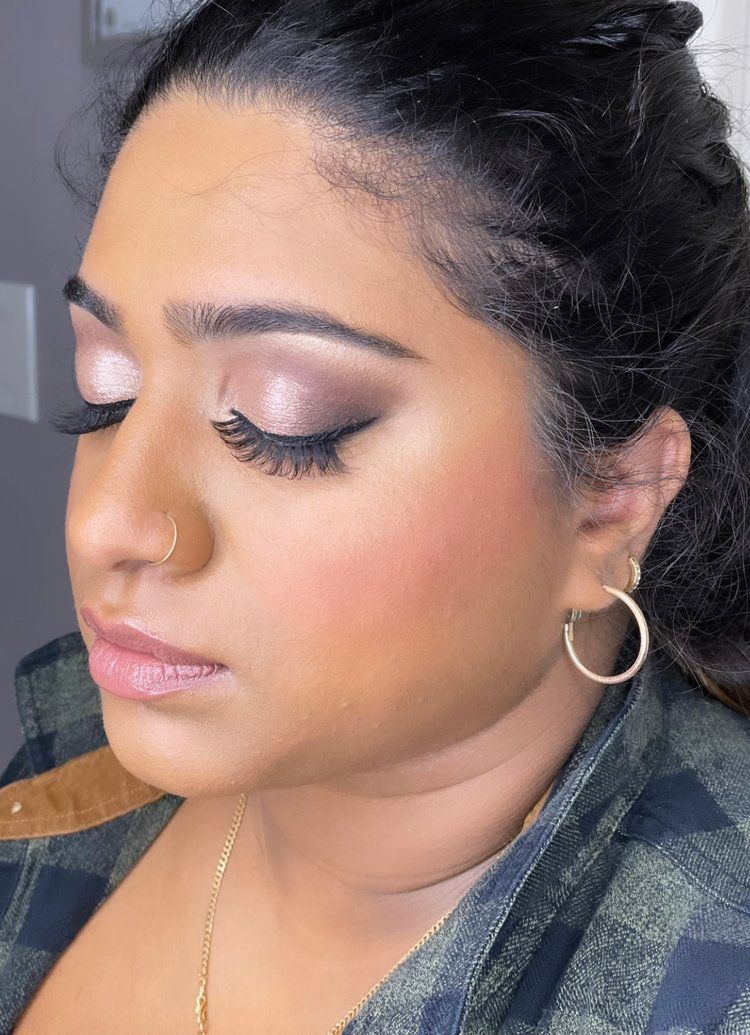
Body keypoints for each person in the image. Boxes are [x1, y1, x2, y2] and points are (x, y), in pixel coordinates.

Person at [1, 0, 749, 1031]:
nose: (106, 525)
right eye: (108, 390)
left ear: (613, 499)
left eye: (282, 422)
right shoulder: (75, 738)